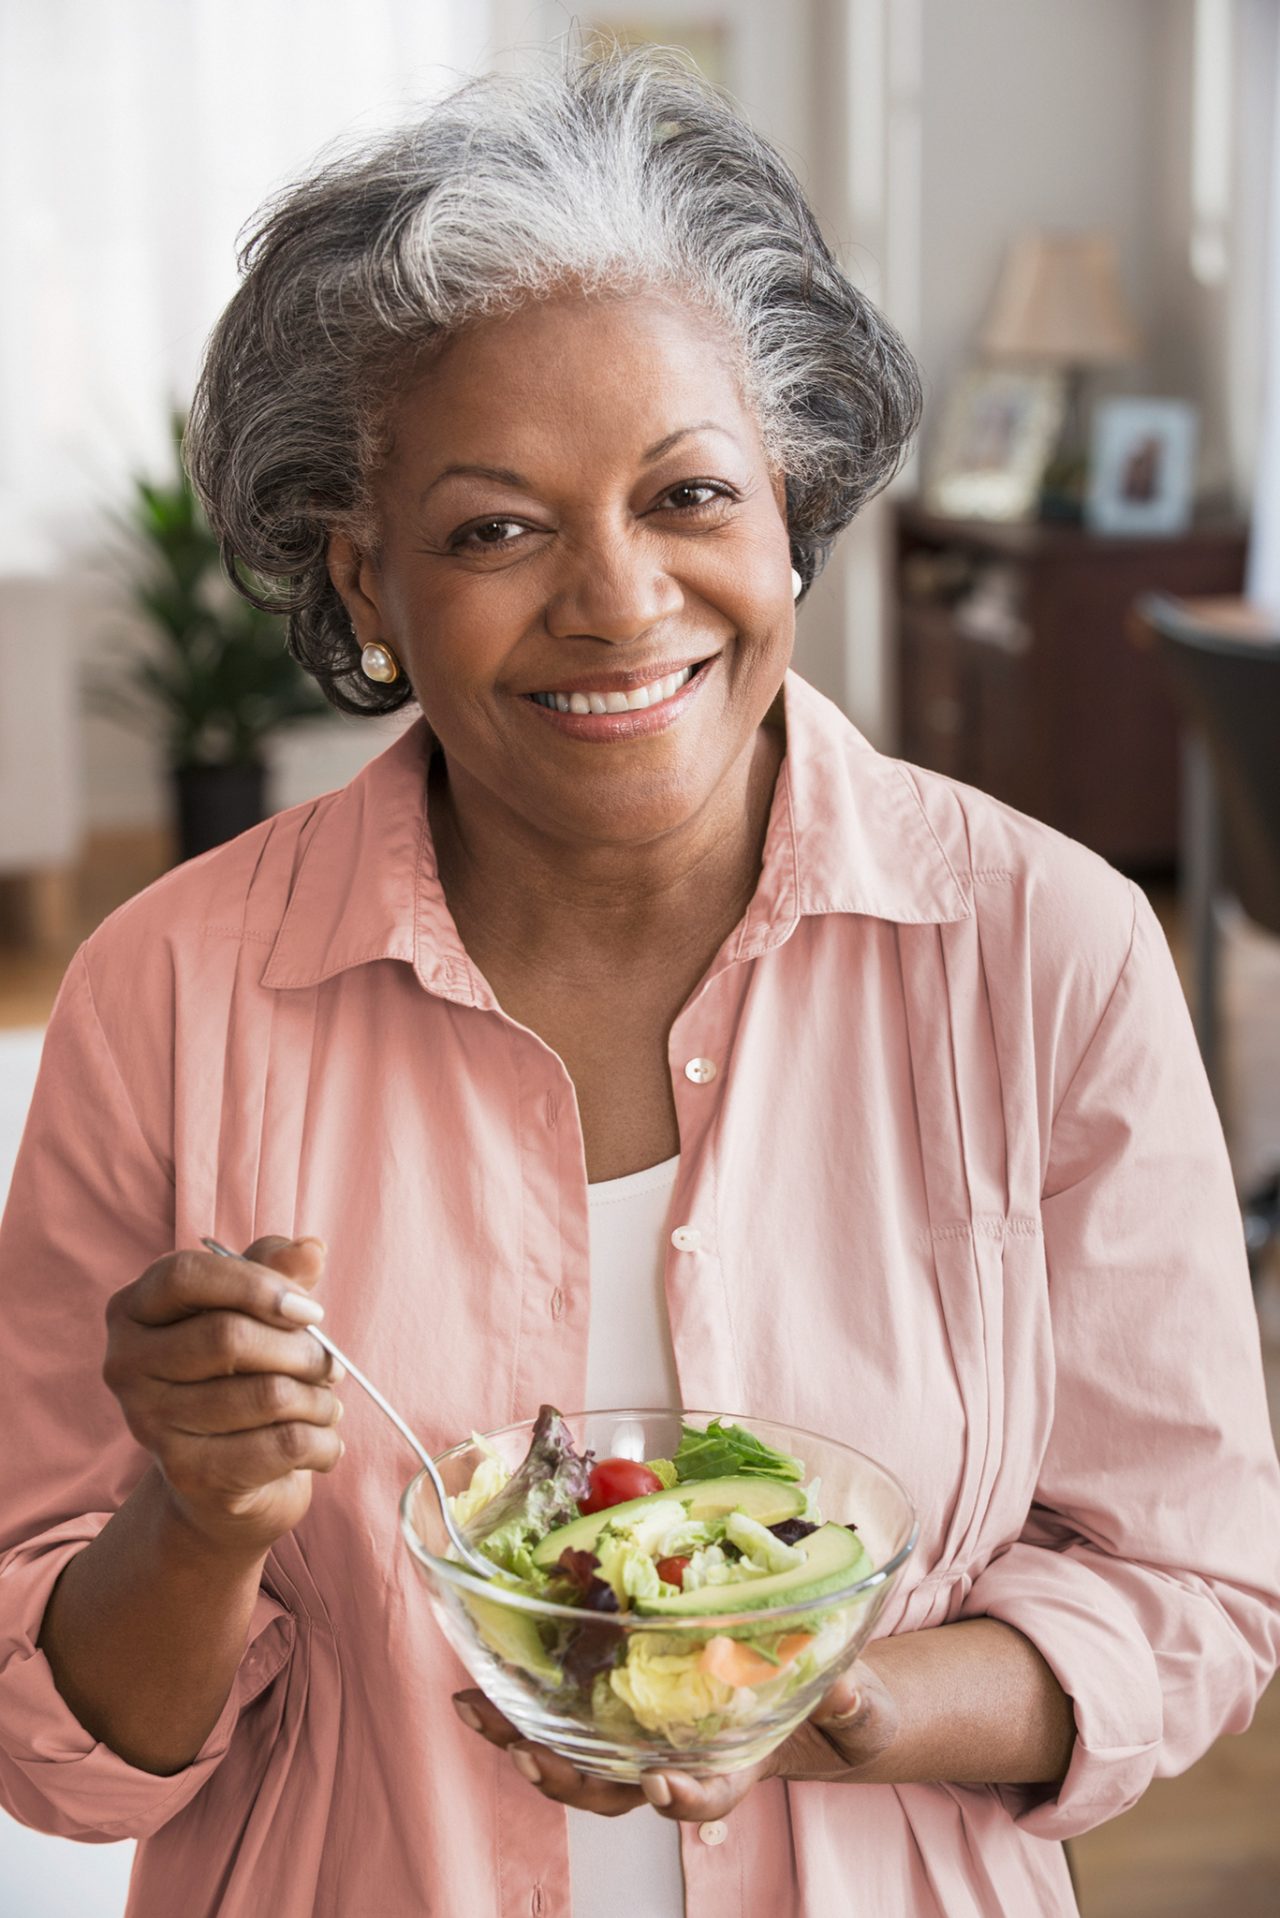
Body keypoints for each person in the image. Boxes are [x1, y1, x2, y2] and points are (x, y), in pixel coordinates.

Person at [1, 44, 1277, 1918]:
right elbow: (54, 1748)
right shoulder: (166, 999)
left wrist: (841, 1697)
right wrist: (192, 1522)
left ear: (790, 500)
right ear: (366, 583)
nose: (617, 601)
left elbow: (1194, 1587)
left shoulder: (1050, 951)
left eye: (687, 494)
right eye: (495, 527)